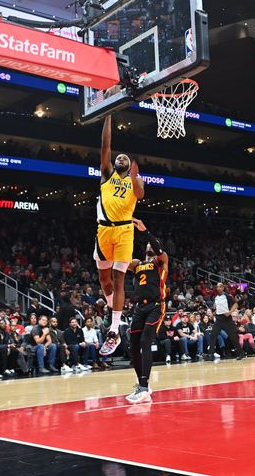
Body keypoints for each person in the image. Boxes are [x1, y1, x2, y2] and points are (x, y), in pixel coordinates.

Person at [95, 115, 144, 357]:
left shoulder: (135, 180)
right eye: (117, 158)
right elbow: (105, 146)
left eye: (124, 157)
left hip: (125, 229)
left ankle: (114, 329)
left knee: (118, 279)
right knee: (104, 281)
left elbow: (141, 195)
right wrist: (108, 114)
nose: (120, 158)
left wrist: (135, 178)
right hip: (103, 230)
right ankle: (117, 310)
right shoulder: (106, 174)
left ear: (130, 163)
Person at [124, 218, 168, 403]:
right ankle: (143, 384)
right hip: (139, 307)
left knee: (145, 341)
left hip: (156, 305)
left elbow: (159, 249)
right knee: (133, 345)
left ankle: (143, 386)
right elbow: (122, 261)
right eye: (148, 244)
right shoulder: (136, 264)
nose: (150, 245)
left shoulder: (161, 261)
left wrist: (145, 231)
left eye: (152, 244)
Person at [206, 283, 244, 360]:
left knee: (233, 337)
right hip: (218, 320)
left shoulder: (227, 296)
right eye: (217, 287)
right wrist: (213, 314)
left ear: (223, 288)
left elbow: (236, 304)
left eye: (220, 287)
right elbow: (218, 308)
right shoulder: (215, 297)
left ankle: (241, 353)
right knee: (213, 335)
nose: (218, 288)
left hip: (227, 320)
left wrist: (230, 312)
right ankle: (210, 354)